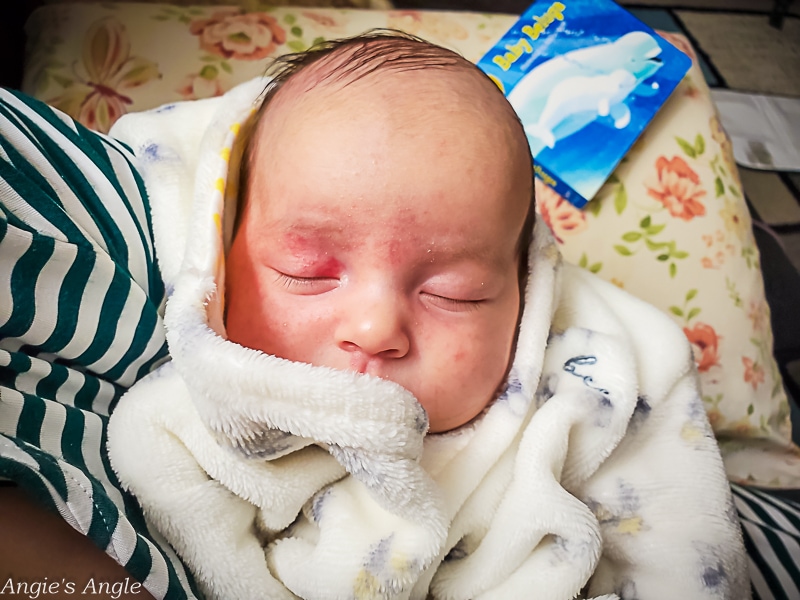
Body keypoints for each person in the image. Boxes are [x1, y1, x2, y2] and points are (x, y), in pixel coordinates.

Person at [1, 29, 789, 600]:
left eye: (455, 294)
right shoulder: (189, 400)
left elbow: (682, 534)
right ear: (224, 242)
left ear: (524, 287)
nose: (376, 328)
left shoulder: (589, 381)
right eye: (308, 272)